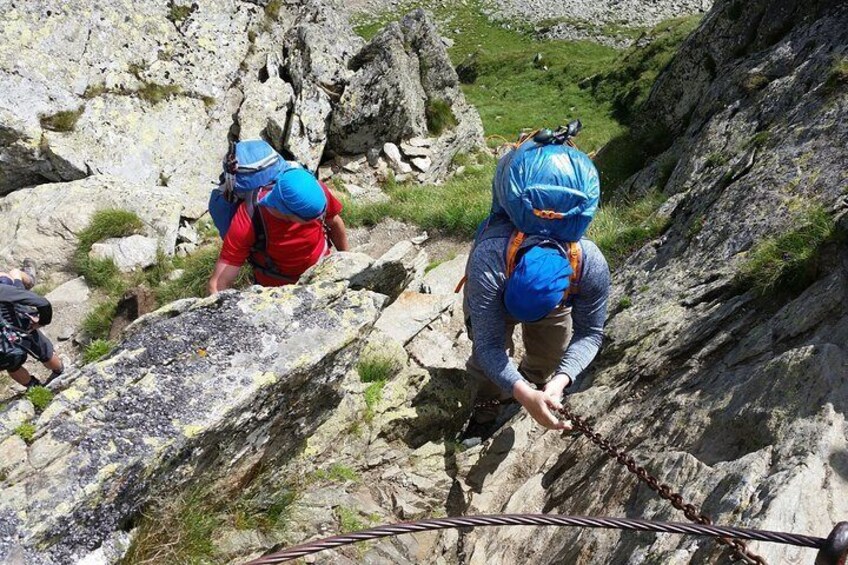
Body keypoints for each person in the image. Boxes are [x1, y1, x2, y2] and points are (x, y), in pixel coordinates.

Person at [461, 213, 610, 442]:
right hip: (494, 289)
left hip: (549, 299)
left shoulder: (590, 265)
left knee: (553, 350)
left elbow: (590, 334)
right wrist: (523, 393)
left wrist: (561, 379)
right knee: (484, 365)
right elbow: (488, 345)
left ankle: (534, 377)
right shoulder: (489, 261)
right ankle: (484, 413)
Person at [208, 167, 350, 293]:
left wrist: (348, 262)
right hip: (279, 293)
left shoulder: (315, 190)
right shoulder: (249, 218)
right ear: (286, 212)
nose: (319, 217)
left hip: (323, 273)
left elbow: (334, 222)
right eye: (311, 218)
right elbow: (218, 284)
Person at [0, 263, 64, 389]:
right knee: (45, 352)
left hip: (3, 350)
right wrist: (42, 322)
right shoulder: (2, 290)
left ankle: (34, 389)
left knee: (13, 366)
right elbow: (43, 303)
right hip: (21, 330)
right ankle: (61, 373)